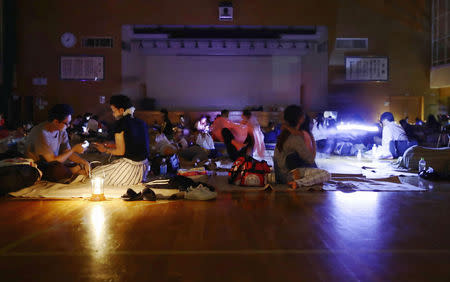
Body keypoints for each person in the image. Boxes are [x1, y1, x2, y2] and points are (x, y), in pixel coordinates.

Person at [92, 95, 150, 185]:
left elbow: (120, 151)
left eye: (114, 111)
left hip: (130, 169)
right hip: (144, 167)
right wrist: (112, 144)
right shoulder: (141, 122)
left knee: (95, 175)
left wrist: (105, 150)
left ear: (121, 110)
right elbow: (132, 144)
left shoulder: (120, 123)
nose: (113, 114)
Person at [25, 104, 89, 182]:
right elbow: (52, 161)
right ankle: (72, 173)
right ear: (55, 121)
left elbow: (67, 152)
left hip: (54, 163)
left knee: (79, 165)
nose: (68, 126)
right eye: (66, 123)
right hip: (37, 166)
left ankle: (73, 171)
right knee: (58, 170)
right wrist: (73, 149)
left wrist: (84, 162)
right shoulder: (41, 133)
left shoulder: (61, 130)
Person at [273, 105, 315, 184]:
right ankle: (300, 183)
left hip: (281, 175)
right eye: (303, 114)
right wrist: (312, 139)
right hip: (289, 177)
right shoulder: (295, 138)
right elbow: (310, 159)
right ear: (300, 119)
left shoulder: (284, 135)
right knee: (326, 174)